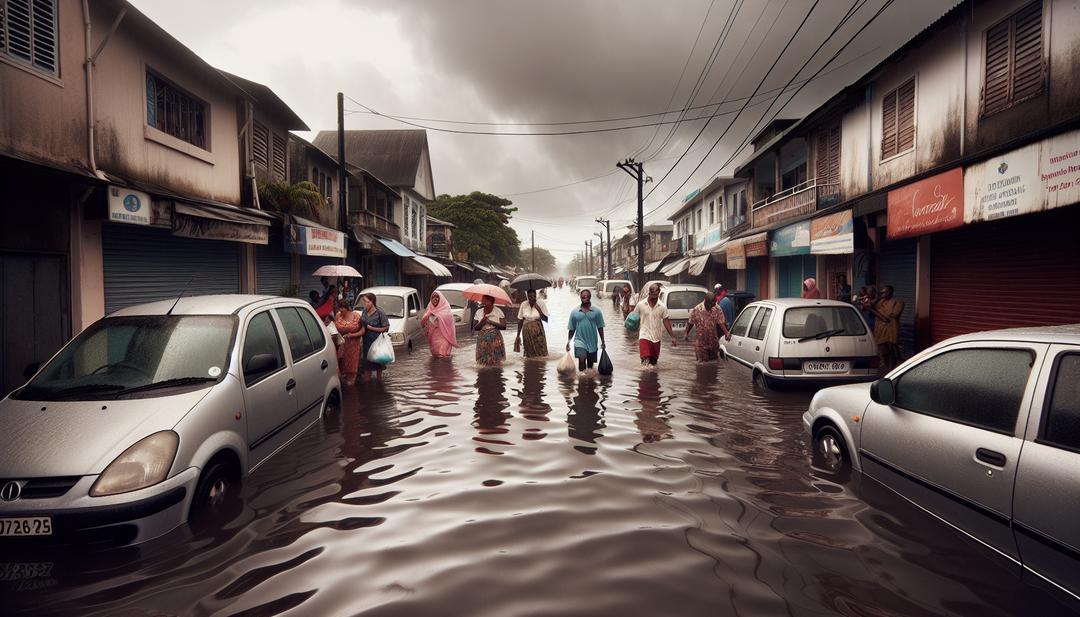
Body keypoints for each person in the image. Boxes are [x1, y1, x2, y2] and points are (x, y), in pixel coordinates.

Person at [632, 283, 678, 366]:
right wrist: (634, 336)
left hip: (656, 337)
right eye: (652, 297)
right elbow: (634, 318)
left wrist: (672, 337)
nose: (653, 299)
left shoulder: (662, 307)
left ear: (658, 294)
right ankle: (645, 378)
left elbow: (666, 321)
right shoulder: (640, 305)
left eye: (655, 297)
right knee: (645, 361)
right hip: (644, 336)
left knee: (653, 363)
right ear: (649, 293)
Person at [566, 289, 606, 372]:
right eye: (583, 296)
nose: (584, 298)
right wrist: (568, 342)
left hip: (592, 342)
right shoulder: (575, 312)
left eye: (586, 296)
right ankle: (582, 380)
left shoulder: (597, 311)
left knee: (590, 366)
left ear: (590, 297)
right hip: (579, 341)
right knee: (581, 359)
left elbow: (600, 327)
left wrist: (603, 341)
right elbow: (572, 329)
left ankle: (589, 381)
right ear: (580, 298)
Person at [684, 292, 731, 362]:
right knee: (702, 365)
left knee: (713, 364)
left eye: (715, 303)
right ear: (706, 301)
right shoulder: (697, 309)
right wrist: (686, 333)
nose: (714, 305)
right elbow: (690, 322)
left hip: (713, 342)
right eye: (712, 303)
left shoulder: (717, 308)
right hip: (701, 344)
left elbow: (721, 322)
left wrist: (726, 333)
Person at [871, 285, 905, 375]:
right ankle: (887, 368)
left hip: (891, 330)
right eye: (881, 292)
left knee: (892, 351)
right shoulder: (880, 302)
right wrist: (877, 299)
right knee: (883, 351)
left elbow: (892, 315)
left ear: (890, 292)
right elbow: (869, 306)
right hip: (880, 331)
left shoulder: (898, 302)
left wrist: (875, 311)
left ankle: (892, 368)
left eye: (884, 292)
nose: (882, 294)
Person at [359, 293, 390, 381]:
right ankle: (367, 388)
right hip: (366, 342)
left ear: (372, 301)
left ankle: (379, 387)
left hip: (377, 342)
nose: (365, 304)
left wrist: (370, 327)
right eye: (364, 302)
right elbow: (362, 325)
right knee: (366, 366)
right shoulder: (364, 311)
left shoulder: (380, 312)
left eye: (366, 302)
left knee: (378, 366)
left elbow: (385, 328)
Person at [421, 290, 458, 358]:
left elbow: (449, 320)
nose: (435, 299)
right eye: (433, 297)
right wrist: (428, 314)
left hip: (445, 336)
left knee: (443, 355)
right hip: (433, 337)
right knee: (436, 356)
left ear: (441, 299)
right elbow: (422, 323)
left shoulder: (446, 309)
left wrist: (437, 316)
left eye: (437, 297)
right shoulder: (429, 309)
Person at [334, 297, 363, 386]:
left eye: (342, 308)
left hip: (354, 344)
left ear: (347, 308)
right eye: (339, 308)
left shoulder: (356, 316)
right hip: (342, 344)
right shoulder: (338, 315)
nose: (341, 310)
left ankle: (352, 384)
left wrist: (352, 335)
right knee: (341, 364)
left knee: (352, 366)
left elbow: (363, 330)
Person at [473, 294, 507, 366]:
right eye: (483, 300)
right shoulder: (478, 312)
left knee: (496, 361)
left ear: (491, 302)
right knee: (483, 362)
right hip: (482, 339)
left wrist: (490, 322)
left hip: (495, 338)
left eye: (486, 300)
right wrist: (482, 322)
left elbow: (504, 326)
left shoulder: (498, 311)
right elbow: (475, 328)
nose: (483, 302)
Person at [515, 289, 549, 358]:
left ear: (536, 296)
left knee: (540, 351)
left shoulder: (541, 303)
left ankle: (539, 366)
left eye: (534, 296)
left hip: (538, 331)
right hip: (526, 332)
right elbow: (520, 320)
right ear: (527, 296)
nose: (532, 298)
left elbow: (546, 319)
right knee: (528, 352)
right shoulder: (523, 304)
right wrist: (518, 335)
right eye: (530, 296)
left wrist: (538, 309)